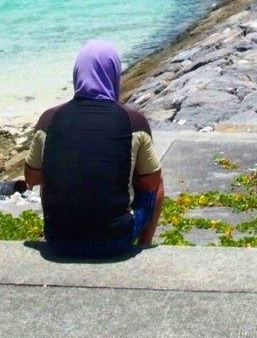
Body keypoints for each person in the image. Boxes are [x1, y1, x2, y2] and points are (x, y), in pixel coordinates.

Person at [24, 40, 164, 258]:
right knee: (154, 179)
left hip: (58, 240)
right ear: (114, 73)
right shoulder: (134, 121)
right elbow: (152, 183)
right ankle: (143, 244)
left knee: (48, 178)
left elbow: (32, 179)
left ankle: (61, 225)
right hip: (115, 241)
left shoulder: (48, 119)